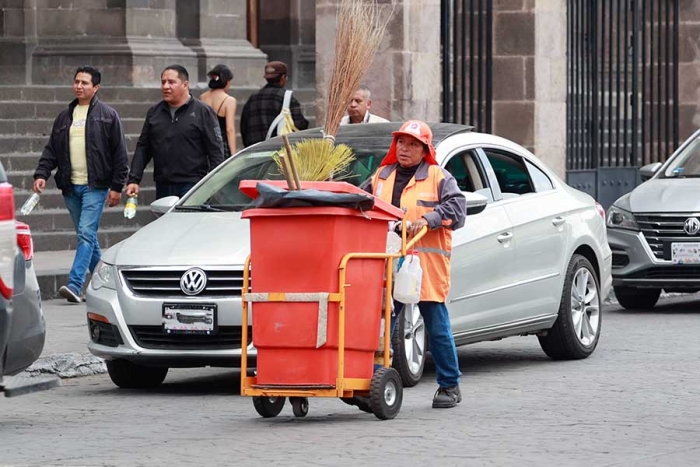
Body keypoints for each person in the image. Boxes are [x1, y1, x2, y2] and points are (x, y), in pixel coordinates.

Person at [362, 120, 467, 408]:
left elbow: (458, 210)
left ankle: (449, 386)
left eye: (412, 144)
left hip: (424, 264)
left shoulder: (438, 176)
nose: (405, 149)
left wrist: (428, 220)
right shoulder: (381, 175)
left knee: (435, 322)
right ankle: (370, 381)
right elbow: (360, 203)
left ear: (424, 150)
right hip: (387, 261)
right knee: (382, 325)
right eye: (401, 143)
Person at [32, 66, 128, 303]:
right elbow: (52, 149)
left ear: (96, 87)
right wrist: (42, 173)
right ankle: (107, 283)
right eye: (76, 81)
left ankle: (75, 284)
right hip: (70, 186)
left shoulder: (108, 115)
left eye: (85, 83)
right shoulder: (65, 117)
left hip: (95, 185)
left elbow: (120, 154)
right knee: (88, 236)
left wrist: (117, 186)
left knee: (85, 234)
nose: (79, 86)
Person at [125, 64, 224, 200]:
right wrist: (134, 179)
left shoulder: (203, 112)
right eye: (163, 82)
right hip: (163, 184)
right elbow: (143, 147)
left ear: (185, 84)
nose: (166, 86)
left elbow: (216, 151)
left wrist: (212, 185)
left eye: (171, 82)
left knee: (186, 220)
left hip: (193, 184)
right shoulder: (155, 113)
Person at [239, 61, 309, 147]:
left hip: (254, 152)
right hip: (278, 152)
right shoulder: (287, 98)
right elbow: (299, 125)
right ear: (283, 77)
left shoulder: (252, 98)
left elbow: (244, 127)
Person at [200, 64, 237, 158]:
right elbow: (230, 129)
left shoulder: (203, 97)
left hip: (204, 143)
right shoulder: (229, 101)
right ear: (226, 81)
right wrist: (233, 154)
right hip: (221, 144)